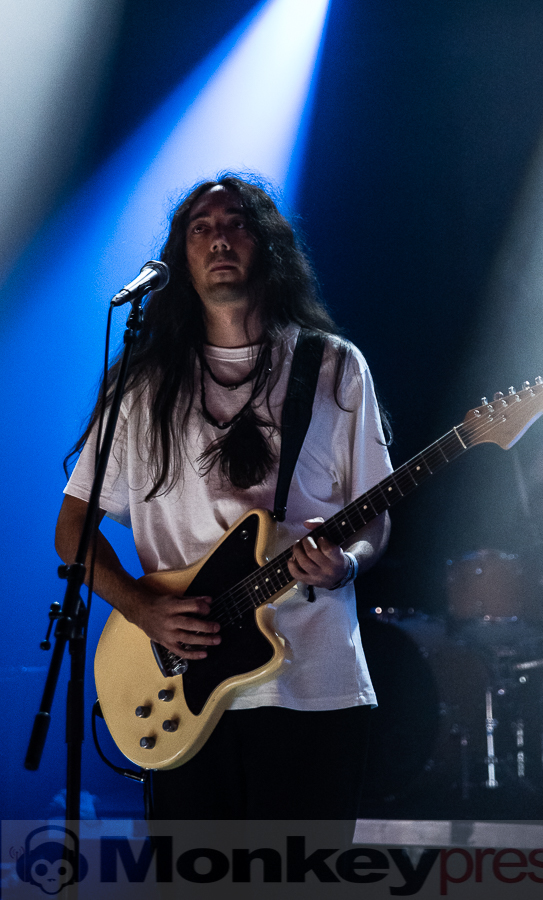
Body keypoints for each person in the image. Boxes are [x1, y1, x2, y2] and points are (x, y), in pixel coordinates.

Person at [55, 174, 392, 821]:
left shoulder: (332, 366)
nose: (218, 240)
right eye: (199, 228)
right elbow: (72, 527)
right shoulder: (143, 384)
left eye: (235, 223)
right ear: (181, 256)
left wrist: (346, 562)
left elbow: (372, 516)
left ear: (267, 244)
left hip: (311, 686)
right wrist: (141, 608)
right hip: (180, 690)